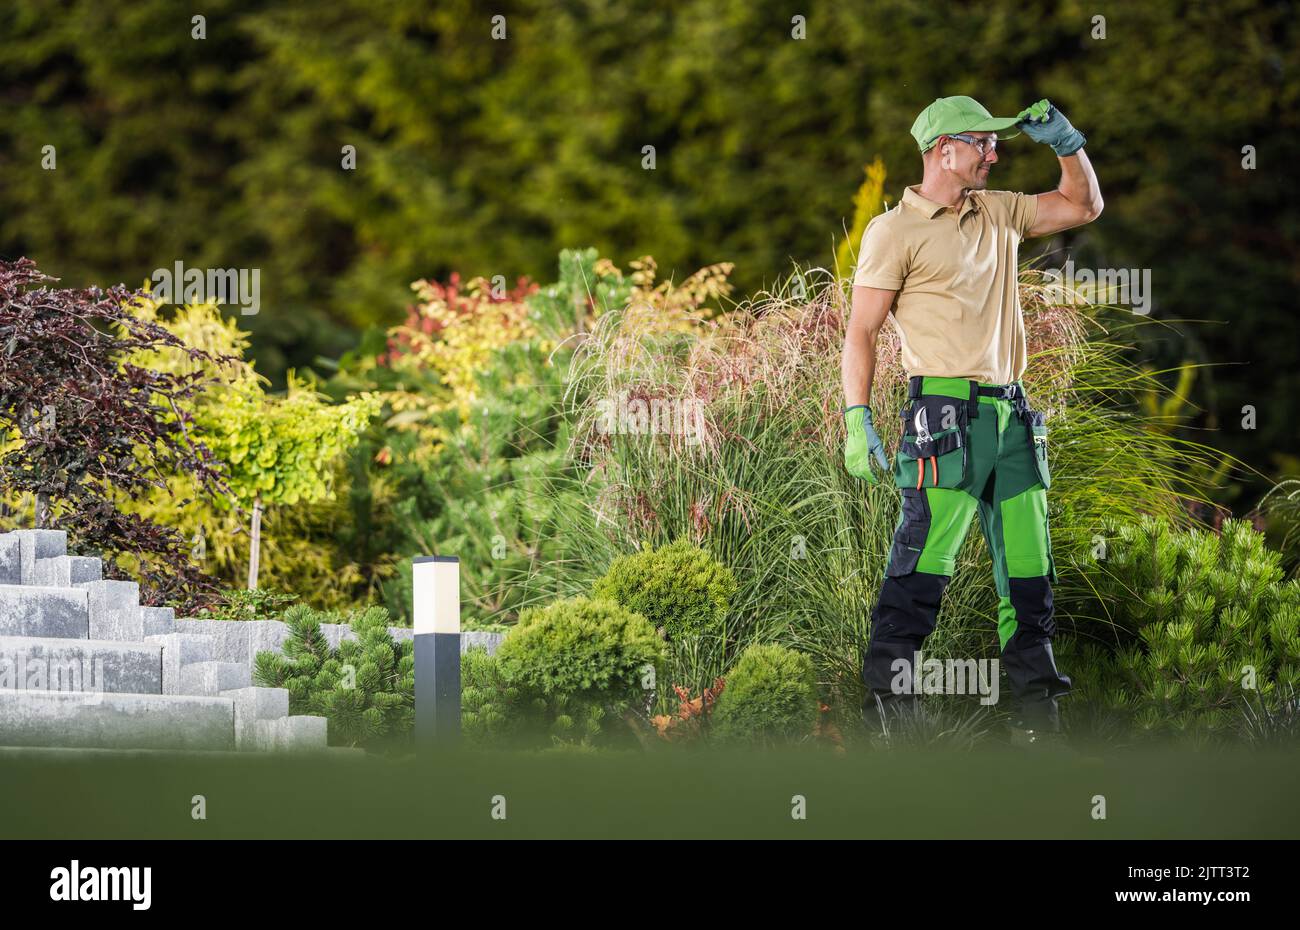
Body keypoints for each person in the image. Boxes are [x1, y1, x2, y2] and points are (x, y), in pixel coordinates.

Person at [841, 95, 1103, 743]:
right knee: (923, 568)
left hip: (1011, 414)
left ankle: (1040, 729)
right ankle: (892, 723)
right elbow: (862, 333)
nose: (995, 152)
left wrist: (1068, 145)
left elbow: (1082, 206)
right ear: (943, 151)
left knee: (1030, 573)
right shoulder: (893, 231)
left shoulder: (999, 210)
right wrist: (856, 419)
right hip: (943, 420)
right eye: (982, 143)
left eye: (997, 143)